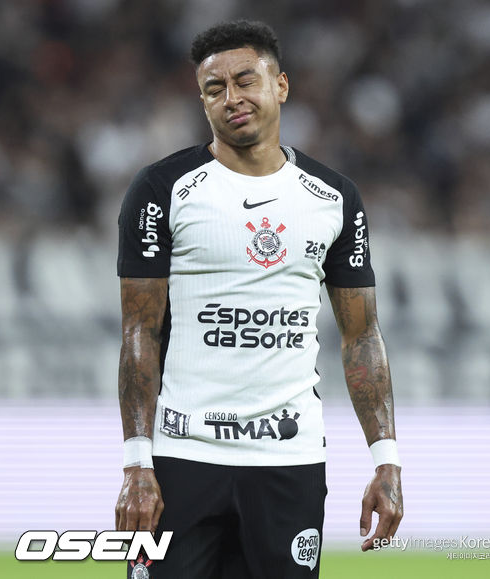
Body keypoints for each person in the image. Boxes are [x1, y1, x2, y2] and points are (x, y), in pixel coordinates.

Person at [115, 19, 403, 579]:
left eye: (245, 80)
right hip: (183, 454)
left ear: (281, 85)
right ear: (202, 101)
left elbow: (362, 335)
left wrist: (386, 460)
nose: (232, 98)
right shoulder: (160, 190)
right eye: (214, 89)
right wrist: (136, 464)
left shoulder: (334, 197)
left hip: (288, 458)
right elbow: (138, 331)